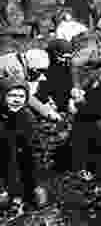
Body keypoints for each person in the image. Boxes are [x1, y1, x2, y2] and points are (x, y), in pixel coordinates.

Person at [0, 78, 47, 208]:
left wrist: (37, 184)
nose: (16, 100)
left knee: (38, 198)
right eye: (12, 95)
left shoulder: (27, 118)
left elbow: (36, 151)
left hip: (20, 162)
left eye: (21, 96)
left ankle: (27, 189)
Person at [0, 48, 61, 122]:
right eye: (40, 71)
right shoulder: (14, 68)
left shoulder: (23, 61)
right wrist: (47, 112)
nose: (41, 74)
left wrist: (46, 102)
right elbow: (26, 95)